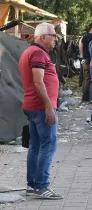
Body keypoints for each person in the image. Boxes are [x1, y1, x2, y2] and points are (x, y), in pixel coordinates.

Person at [19, 23, 63, 199]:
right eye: (53, 35)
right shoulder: (37, 53)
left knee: (36, 146)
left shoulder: (30, 51)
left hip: (32, 105)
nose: (55, 39)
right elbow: (38, 82)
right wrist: (48, 107)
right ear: (43, 37)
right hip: (40, 107)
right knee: (48, 144)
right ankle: (41, 186)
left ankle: (32, 185)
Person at [79, 22, 92, 102]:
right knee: (91, 78)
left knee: (85, 78)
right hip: (91, 59)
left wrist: (82, 56)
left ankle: (85, 96)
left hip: (84, 58)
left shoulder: (84, 37)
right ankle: (91, 97)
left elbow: (81, 46)